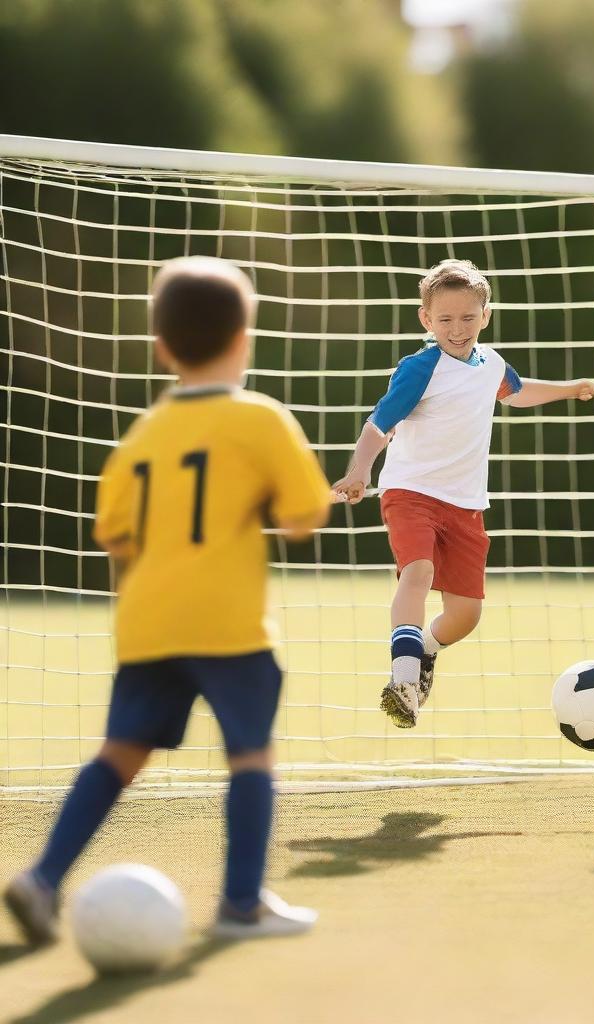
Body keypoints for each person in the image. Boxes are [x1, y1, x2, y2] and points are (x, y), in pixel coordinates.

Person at [3, 257, 332, 943]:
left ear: (161, 347)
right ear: (245, 338)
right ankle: (241, 904)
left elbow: (115, 535)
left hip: (147, 622)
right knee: (250, 756)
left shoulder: (142, 435)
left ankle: (42, 878)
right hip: (229, 624)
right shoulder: (260, 420)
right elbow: (305, 515)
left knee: (120, 753)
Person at [332, 258, 594, 728]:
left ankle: (426, 652)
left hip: (466, 505)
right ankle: (404, 679)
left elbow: (516, 392)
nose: (457, 329)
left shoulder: (490, 363)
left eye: (468, 318)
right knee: (417, 572)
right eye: (445, 320)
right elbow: (378, 424)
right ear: (426, 320)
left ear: (485, 316)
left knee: (466, 614)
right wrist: (360, 471)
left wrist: (568, 388)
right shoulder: (420, 368)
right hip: (410, 492)